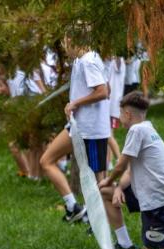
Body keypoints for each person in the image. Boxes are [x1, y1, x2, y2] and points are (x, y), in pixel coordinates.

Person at [97, 92, 164, 249]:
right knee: (106, 192)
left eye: (120, 113)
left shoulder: (137, 130)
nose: (120, 117)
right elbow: (128, 168)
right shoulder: (146, 127)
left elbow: (120, 166)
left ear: (127, 114)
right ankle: (124, 244)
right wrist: (119, 188)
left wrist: (107, 180)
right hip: (147, 195)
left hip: (161, 203)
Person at [39, 40, 111, 223]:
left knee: (99, 181)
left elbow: (103, 91)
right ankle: (73, 207)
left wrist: (75, 104)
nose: (64, 46)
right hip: (76, 126)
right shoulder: (81, 60)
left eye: (65, 42)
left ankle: (109, 225)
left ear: (74, 40)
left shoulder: (89, 60)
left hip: (92, 130)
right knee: (46, 161)